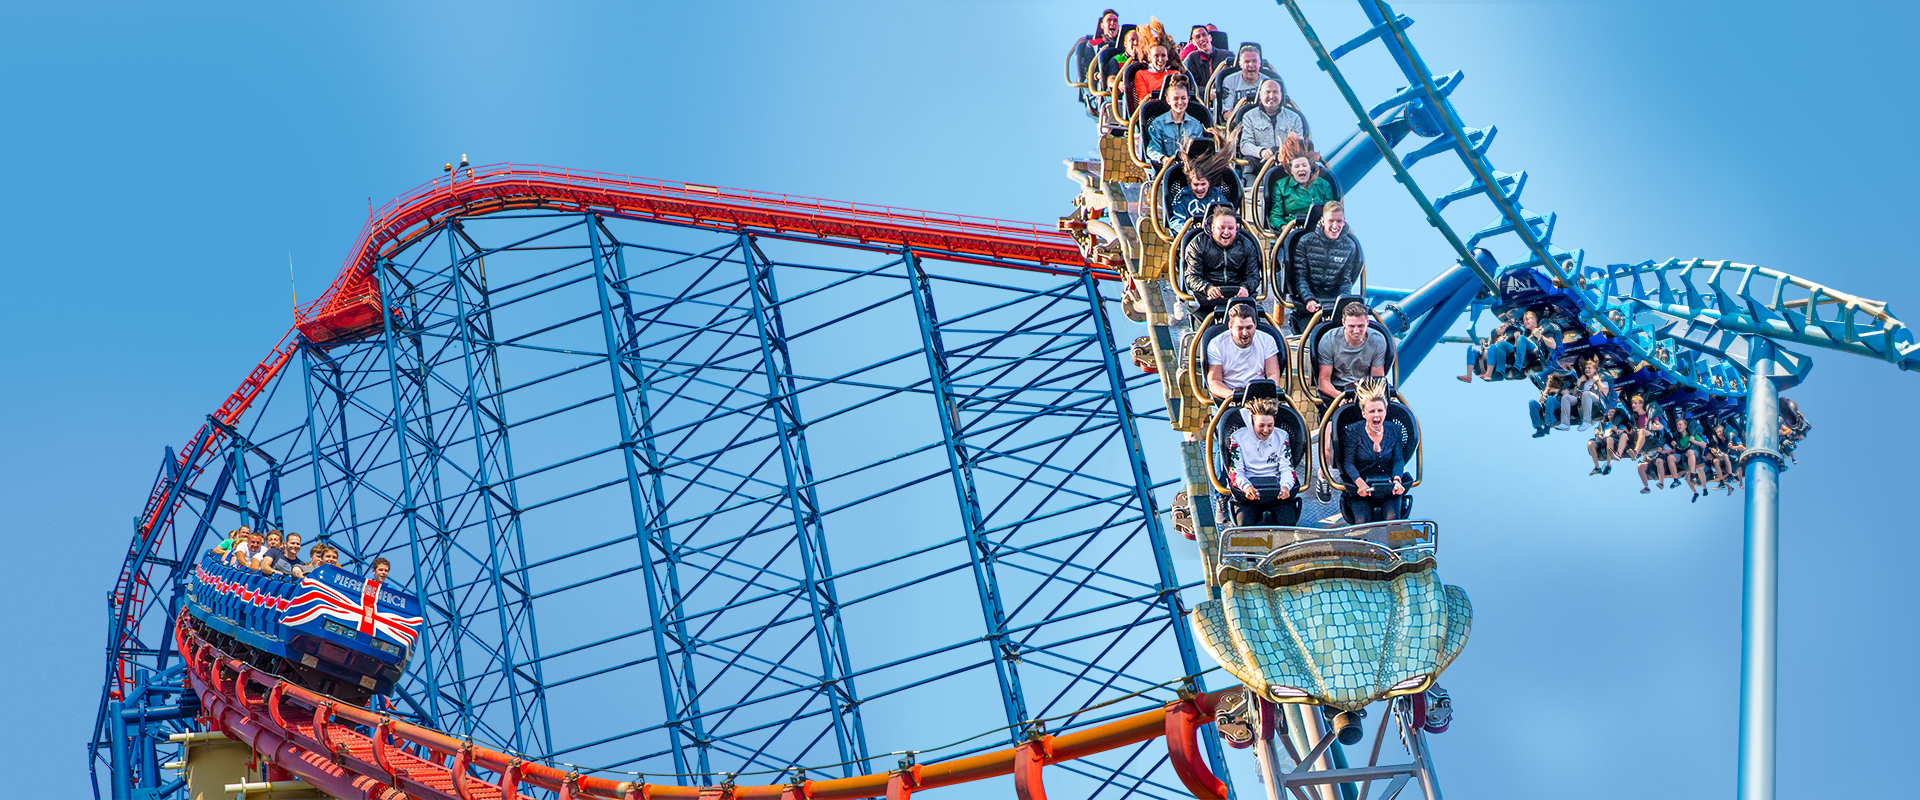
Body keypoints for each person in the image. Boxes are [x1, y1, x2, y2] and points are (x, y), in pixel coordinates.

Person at [1287, 201, 1362, 328]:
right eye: (1331, 221)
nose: (1335, 226)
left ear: (1344, 222)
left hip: (1333, 300)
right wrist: (1309, 299)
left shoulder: (1349, 246)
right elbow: (1300, 277)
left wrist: (1344, 301)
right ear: (1322, 221)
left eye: (1339, 221)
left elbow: (1345, 280)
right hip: (1308, 299)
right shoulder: (1306, 241)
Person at [1227, 397, 1300, 526]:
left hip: (1276, 490)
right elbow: (1235, 471)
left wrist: (1285, 486)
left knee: (1288, 522)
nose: (1266, 430)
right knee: (1244, 524)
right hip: (1250, 491)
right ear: (1252, 422)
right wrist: (1246, 487)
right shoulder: (1238, 438)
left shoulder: (1282, 436)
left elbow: (1287, 468)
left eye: (1269, 425)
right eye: (1261, 425)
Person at [1342, 378, 1407, 523]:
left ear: (1385, 411)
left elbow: (1398, 459)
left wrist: (1397, 479)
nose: (1376, 415)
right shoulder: (1353, 431)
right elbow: (1348, 463)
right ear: (1364, 413)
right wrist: (1360, 484)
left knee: (1392, 519)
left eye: (1380, 411)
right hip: (1361, 486)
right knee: (1362, 521)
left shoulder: (1394, 430)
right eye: (1372, 411)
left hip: (1387, 486)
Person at [1180, 206, 1262, 308]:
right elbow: (1192, 275)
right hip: (1207, 297)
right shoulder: (1198, 244)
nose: (1226, 232)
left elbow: (1253, 275)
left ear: (1236, 229)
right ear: (1213, 228)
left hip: (1239, 295)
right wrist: (1208, 288)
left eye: (1230, 228)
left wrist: (1246, 288)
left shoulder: (1246, 245)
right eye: (1222, 228)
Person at [1206, 302, 1283, 399]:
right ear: (1230, 327)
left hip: (1260, 395)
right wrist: (1232, 396)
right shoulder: (1217, 344)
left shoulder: (1266, 340)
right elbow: (1214, 381)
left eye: (1249, 327)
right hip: (1229, 395)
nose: (1245, 333)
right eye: (1240, 328)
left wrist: (1268, 393)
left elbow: (1273, 373)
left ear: (1255, 325)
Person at [1316, 302, 1387, 399]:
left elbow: (1377, 380)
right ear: (1343, 323)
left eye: (1361, 326)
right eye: (1352, 326)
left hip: (1365, 390)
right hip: (1337, 389)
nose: (1356, 331)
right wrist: (1340, 397)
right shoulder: (1329, 340)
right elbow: (1323, 381)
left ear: (1367, 322)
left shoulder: (1377, 341)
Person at [1266, 134, 1333, 229]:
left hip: (1319, 231)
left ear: (1310, 168)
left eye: (1304, 165)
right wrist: (1284, 228)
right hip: (1291, 231)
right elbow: (1275, 216)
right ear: (1291, 170)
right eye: (1297, 166)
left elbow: (1332, 212)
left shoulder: (1324, 185)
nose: (1301, 169)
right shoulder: (1281, 186)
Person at [1240, 82, 1308, 166]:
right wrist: (1261, 152)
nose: (1271, 96)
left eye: (1275, 92)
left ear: (1281, 95)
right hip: (1257, 168)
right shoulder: (1249, 116)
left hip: (1288, 167)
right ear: (1260, 95)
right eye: (1267, 92)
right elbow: (1245, 145)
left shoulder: (1294, 118)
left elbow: (1299, 145)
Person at [1167, 143, 1231, 232]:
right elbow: (1176, 221)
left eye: (1203, 184)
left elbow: (1227, 215)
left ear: (1209, 183)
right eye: (1196, 185)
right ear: (1190, 184)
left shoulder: (1217, 195)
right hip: (1191, 236)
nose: (1200, 188)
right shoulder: (1183, 197)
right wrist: (1189, 231)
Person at [1146, 75, 1206, 167]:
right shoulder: (1158, 124)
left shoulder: (1196, 125)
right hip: (1165, 169)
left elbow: (1200, 152)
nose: (1180, 102)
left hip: (1190, 170)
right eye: (1176, 99)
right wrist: (1163, 158)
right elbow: (1152, 149)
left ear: (1188, 99)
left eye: (1183, 98)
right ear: (1168, 101)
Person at [1215, 46, 1265, 118]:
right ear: (1240, 64)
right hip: (1237, 123)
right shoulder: (1229, 81)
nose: (1251, 65)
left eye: (1254, 61)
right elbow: (1227, 113)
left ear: (1259, 63)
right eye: (1247, 62)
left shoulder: (1268, 83)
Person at [1670, 417, 1710, 501]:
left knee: (1697, 464)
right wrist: (1673, 445)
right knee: (1671, 458)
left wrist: (1694, 441)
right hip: (1684, 457)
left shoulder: (1692, 435)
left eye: (1680, 425)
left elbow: (1704, 445)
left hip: (1695, 455)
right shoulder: (1678, 438)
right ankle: (1679, 482)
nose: (1678, 427)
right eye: (1677, 425)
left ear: (1685, 426)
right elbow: (1675, 451)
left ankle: (1704, 487)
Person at [1572, 357, 1611, 430]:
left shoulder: (1601, 379)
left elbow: (1605, 393)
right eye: (1586, 368)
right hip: (1586, 404)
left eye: (1589, 368)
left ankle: (1587, 421)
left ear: (1595, 370)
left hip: (1599, 403)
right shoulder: (1583, 383)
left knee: (1586, 393)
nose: (1587, 370)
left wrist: (1597, 381)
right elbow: (1574, 395)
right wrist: (1579, 381)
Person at [1527, 373, 1571, 438]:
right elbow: (1541, 401)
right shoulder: (1548, 390)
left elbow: (1567, 393)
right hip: (1548, 406)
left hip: (1559, 406)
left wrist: (1556, 390)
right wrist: (1546, 391)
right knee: (1532, 402)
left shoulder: (1563, 388)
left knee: (1550, 399)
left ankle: (1548, 425)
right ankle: (1538, 428)